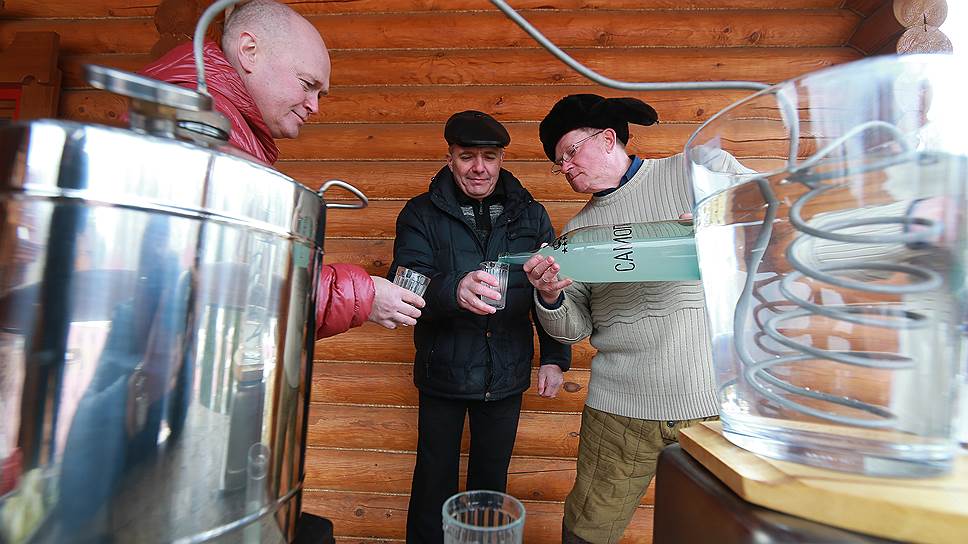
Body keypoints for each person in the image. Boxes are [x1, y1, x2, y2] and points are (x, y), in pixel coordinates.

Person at [523, 94, 742, 544]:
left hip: (710, 405)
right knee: (588, 530)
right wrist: (548, 296)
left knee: (716, 529)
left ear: (608, 139)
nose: (565, 167)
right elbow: (574, 328)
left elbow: (776, 212)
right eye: (558, 163)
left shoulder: (695, 172)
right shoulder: (577, 232)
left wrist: (728, 217)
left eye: (569, 153)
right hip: (619, 409)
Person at [139, 0, 421, 339]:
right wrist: (364, 295)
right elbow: (223, 280)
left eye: (320, 94)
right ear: (249, 51)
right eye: (306, 84)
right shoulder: (196, 124)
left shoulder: (227, 126)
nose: (314, 107)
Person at [390, 110, 571, 543]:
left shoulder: (531, 215)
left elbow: (548, 283)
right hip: (443, 371)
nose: (479, 168)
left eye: (489, 157)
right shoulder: (420, 213)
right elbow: (404, 279)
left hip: (507, 371)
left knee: (490, 486)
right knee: (433, 480)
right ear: (450, 158)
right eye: (467, 156)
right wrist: (454, 289)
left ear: (501, 159)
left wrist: (554, 357)